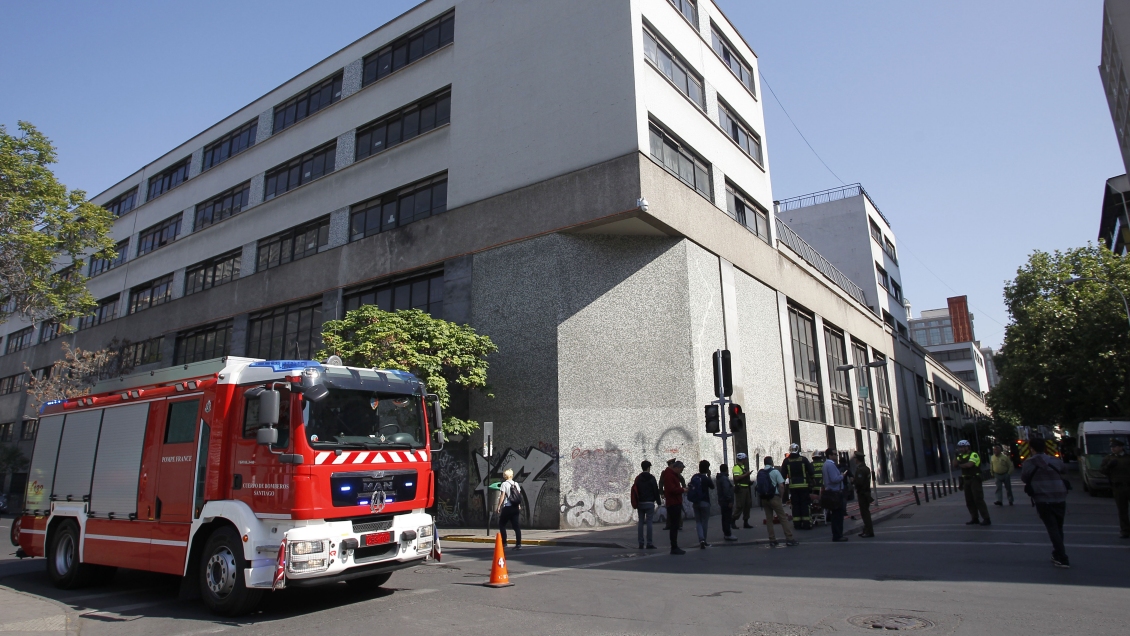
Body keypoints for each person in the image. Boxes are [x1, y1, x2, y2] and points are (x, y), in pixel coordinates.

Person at [1021, 437, 1070, 567]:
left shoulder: (1029, 463)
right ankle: (1057, 553)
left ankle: (1062, 557)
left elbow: (1024, 478)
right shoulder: (1055, 460)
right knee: (1058, 527)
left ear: (1031, 449)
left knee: (1052, 527)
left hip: (1043, 499)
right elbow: (1064, 470)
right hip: (1060, 497)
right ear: (1045, 447)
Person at [756, 457, 799, 547]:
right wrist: (781, 496)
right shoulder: (775, 472)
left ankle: (772, 539)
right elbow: (781, 486)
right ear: (772, 462)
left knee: (769, 519)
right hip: (774, 497)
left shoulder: (760, 473)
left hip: (764, 498)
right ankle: (789, 538)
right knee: (783, 518)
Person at [953, 440, 991, 526]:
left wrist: (960, 464)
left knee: (978, 499)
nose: (961, 449)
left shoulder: (973, 454)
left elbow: (969, 465)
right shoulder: (960, 456)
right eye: (960, 447)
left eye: (962, 447)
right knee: (969, 500)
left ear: (967, 447)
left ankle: (986, 518)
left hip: (975, 479)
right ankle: (974, 518)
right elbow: (954, 465)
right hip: (966, 480)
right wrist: (955, 456)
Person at [1100, 437, 1130, 538]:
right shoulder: (1109, 458)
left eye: (1115, 447)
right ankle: (1125, 530)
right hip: (1118, 487)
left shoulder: (1128, 457)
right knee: (1122, 510)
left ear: (1121, 447)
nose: (1113, 449)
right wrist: (1108, 466)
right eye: (1111, 447)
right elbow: (1102, 471)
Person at [782, 444, 815, 529]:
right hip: (804, 486)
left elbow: (783, 475)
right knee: (805, 504)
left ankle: (797, 524)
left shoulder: (786, 461)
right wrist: (812, 481)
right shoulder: (804, 459)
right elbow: (811, 472)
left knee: (795, 505)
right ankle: (806, 523)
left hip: (793, 486)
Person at [821, 449, 848, 542]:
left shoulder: (826, 464)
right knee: (838, 515)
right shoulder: (830, 465)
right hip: (835, 492)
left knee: (835, 515)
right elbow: (834, 479)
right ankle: (838, 535)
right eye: (834, 454)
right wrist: (842, 476)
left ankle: (837, 534)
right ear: (829, 455)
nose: (836, 456)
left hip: (831, 491)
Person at [661, 460, 688, 554]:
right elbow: (672, 489)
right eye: (681, 469)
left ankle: (675, 546)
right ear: (676, 468)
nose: (681, 471)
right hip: (673, 502)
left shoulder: (672, 475)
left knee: (675, 525)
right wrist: (682, 490)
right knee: (674, 526)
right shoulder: (669, 475)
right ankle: (674, 546)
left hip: (675, 502)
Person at [633, 460, 661, 549]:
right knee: (649, 522)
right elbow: (655, 490)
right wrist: (658, 501)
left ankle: (640, 543)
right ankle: (649, 543)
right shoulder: (652, 478)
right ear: (648, 468)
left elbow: (635, 490)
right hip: (649, 502)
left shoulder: (638, 478)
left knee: (640, 522)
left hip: (640, 503)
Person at [689, 460, 715, 549]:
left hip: (695, 502)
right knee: (704, 521)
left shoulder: (695, 477)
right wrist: (709, 475)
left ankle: (701, 539)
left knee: (698, 521)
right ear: (707, 469)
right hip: (705, 502)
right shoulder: (705, 478)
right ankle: (704, 540)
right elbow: (712, 486)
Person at [495, 468, 522, 550]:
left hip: (508, 507)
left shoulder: (504, 484)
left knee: (502, 524)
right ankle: (518, 544)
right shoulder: (516, 484)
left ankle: (504, 543)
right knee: (516, 526)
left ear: (505, 476)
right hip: (515, 507)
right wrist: (519, 505)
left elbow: (502, 496)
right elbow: (518, 495)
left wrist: (499, 506)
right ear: (512, 475)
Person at [852, 451, 874, 538]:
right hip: (866, 492)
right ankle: (866, 530)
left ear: (857, 459)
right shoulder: (867, 468)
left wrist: (853, 481)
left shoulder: (861, 470)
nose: (855, 460)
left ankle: (868, 531)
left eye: (855, 459)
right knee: (865, 512)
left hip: (862, 493)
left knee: (865, 513)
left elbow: (860, 482)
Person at [716, 463, 738, 542]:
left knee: (724, 517)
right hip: (726, 501)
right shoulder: (724, 479)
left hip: (722, 500)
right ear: (726, 469)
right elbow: (726, 490)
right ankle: (728, 534)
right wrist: (729, 500)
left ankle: (726, 533)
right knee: (727, 518)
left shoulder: (720, 478)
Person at [732, 453, 753, 529]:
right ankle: (733, 520)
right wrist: (747, 474)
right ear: (743, 459)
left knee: (747, 505)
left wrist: (749, 481)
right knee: (740, 506)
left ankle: (746, 522)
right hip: (740, 489)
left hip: (746, 488)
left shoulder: (743, 467)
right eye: (745, 459)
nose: (745, 460)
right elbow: (736, 478)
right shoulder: (736, 467)